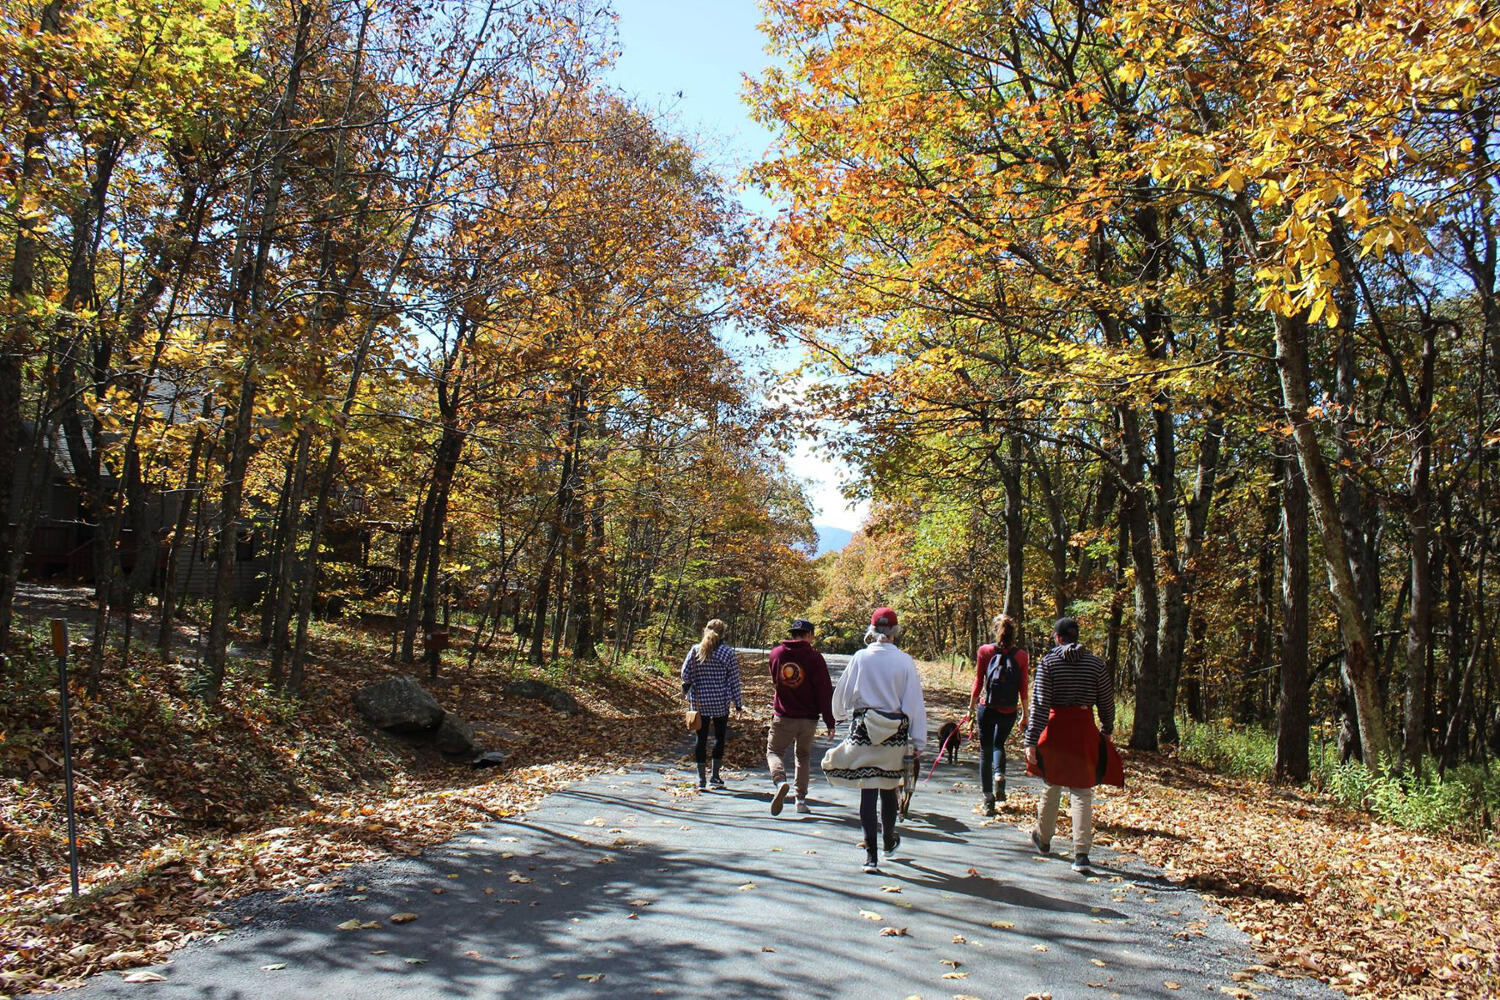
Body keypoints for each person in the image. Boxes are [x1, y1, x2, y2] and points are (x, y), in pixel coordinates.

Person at [823, 607, 927, 873]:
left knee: (867, 789)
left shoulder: (861, 657)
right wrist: (918, 741)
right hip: (895, 734)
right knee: (889, 788)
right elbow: (914, 703)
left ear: (872, 630)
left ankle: (871, 856)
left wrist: (838, 716)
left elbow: (842, 693)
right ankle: (889, 839)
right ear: (895, 631)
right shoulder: (904, 661)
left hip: (864, 730)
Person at [1024, 617, 1123, 873]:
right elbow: (1106, 701)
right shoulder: (1096, 664)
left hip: (1057, 729)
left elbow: (1040, 705)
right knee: (1082, 791)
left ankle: (1043, 840)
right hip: (1083, 729)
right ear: (1076, 636)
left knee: (1052, 783)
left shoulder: (1049, 663)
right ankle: (1081, 853)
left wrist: (1031, 740)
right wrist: (1107, 729)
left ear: (1057, 637)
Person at [766, 618, 835, 816]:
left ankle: (780, 781)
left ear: (792, 634)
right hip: (809, 718)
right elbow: (824, 692)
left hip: (784, 715)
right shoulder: (815, 658)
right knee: (803, 756)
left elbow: (774, 680)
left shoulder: (776, 654)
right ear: (810, 635)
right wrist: (829, 721)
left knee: (774, 752)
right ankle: (800, 800)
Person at [968, 613, 1029, 815]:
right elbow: (1023, 688)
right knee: (998, 744)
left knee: (985, 751)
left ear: (996, 630)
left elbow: (978, 682)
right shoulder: (1021, 656)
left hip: (987, 707)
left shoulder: (985, 651)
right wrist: (1025, 715)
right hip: (1009, 709)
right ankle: (1000, 775)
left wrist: (971, 708)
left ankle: (988, 800)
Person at [681, 618, 743, 791]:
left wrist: (691, 686)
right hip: (720, 701)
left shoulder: (695, 650)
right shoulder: (727, 652)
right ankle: (715, 776)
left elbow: (685, 674)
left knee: (700, 739)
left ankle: (701, 779)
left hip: (699, 702)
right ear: (723, 633)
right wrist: (738, 704)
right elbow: (734, 680)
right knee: (719, 737)